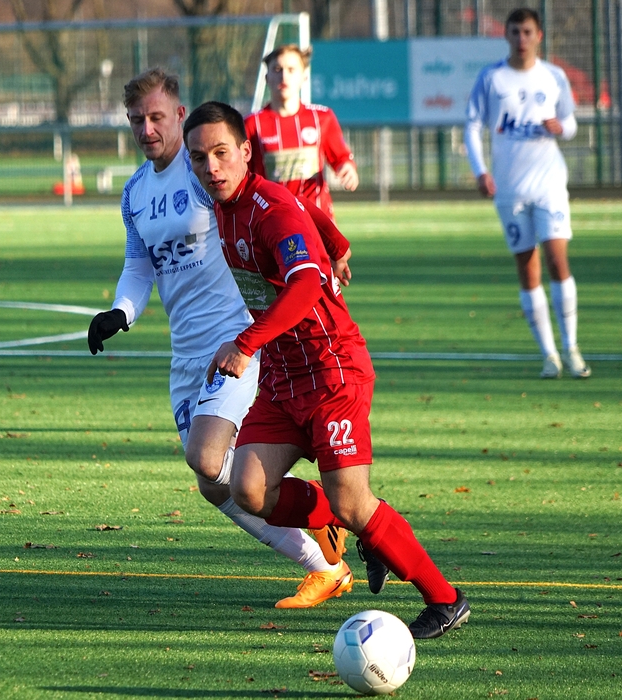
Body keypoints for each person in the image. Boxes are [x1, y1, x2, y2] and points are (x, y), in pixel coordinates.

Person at [183, 100, 470, 640]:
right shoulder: (227, 200)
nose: (211, 167)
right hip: (283, 375)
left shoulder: (268, 209)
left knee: (352, 500)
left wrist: (245, 343)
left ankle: (445, 598)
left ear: (246, 151)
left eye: (221, 153)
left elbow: (306, 286)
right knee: (248, 489)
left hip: (331, 367)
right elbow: (304, 206)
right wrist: (336, 245)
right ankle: (352, 522)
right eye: (199, 158)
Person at [87, 68, 354, 609]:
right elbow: (139, 263)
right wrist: (120, 311)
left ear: (179, 115)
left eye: (156, 117)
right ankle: (326, 564)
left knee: (208, 459)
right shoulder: (135, 192)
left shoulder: (203, 174)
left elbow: (282, 202)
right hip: (186, 356)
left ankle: (323, 512)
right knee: (213, 483)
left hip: (235, 342)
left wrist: (333, 242)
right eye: (136, 120)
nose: (146, 129)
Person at [464, 7, 591, 379]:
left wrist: (560, 128)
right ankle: (549, 355)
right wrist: (481, 171)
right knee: (527, 267)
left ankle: (572, 348)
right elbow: (472, 126)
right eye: (516, 32)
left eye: (528, 32)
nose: (522, 39)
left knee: (557, 261)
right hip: (510, 190)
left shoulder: (553, 76)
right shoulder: (492, 78)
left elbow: (570, 122)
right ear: (506, 35)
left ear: (539, 36)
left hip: (549, 184)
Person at [246, 44, 358, 222]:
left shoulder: (322, 118)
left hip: (318, 220)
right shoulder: (253, 124)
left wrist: (347, 167)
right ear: (267, 78)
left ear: (304, 77)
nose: (284, 76)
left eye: (291, 70)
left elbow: (341, 157)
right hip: (274, 222)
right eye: (277, 69)